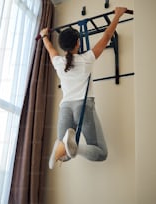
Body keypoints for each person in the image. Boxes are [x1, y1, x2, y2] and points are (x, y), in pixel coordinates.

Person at [40, 7, 127, 169]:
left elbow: (49, 48)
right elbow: (107, 36)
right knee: (101, 153)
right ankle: (75, 147)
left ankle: (60, 147)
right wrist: (117, 15)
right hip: (83, 106)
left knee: (64, 154)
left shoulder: (58, 63)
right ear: (78, 43)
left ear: (63, 46)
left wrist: (45, 35)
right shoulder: (87, 59)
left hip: (65, 107)